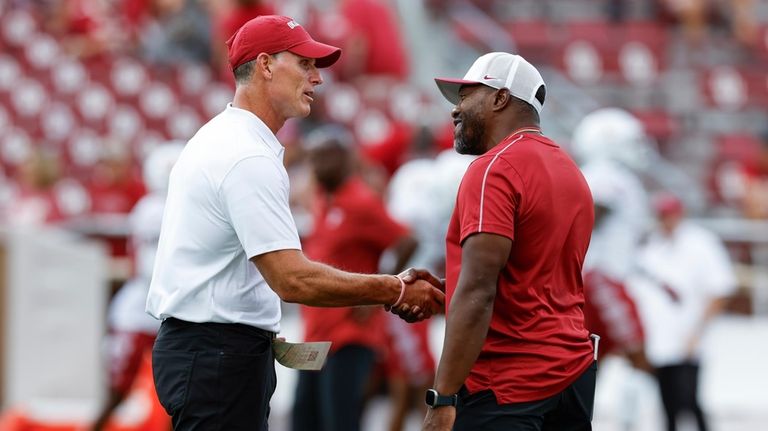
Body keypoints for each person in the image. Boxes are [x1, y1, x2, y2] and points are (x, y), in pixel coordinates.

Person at [145, 15, 444, 431]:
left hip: (214, 348)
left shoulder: (228, 139)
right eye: (305, 64)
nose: (317, 78)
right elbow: (292, 281)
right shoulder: (247, 154)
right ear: (265, 65)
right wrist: (392, 289)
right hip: (217, 353)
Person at [419, 52, 598, 431]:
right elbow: (531, 279)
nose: (455, 110)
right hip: (573, 372)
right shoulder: (572, 172)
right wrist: (447, 291)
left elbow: (480, 289)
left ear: (500, 98)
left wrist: (444, 397)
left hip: (507, 383)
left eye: (466, 96)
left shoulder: (493, 169)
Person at [291, 124, 417, 431]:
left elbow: (406, 240)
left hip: (349, 334)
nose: (321, 164)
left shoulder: (360, 201)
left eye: (329, 156)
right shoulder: (322, 199)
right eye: (316, 157)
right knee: (302, 419)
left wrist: (380, 293)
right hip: (315, 332)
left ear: (348, 159)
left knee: (340, 421)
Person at [92, 141, 184, 431]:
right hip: (151, 306)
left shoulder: (152, 207)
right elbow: (151, 268)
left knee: (176, 390)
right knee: (122, 390)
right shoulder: (155, 209)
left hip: (159, 305)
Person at [629, 193, 737, 431]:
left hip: (688, 337)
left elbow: (719, 290)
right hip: (658, 339)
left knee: (688, 400)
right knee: (667, 405)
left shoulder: (701, 243)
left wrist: (698, 332)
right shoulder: (651, 245)